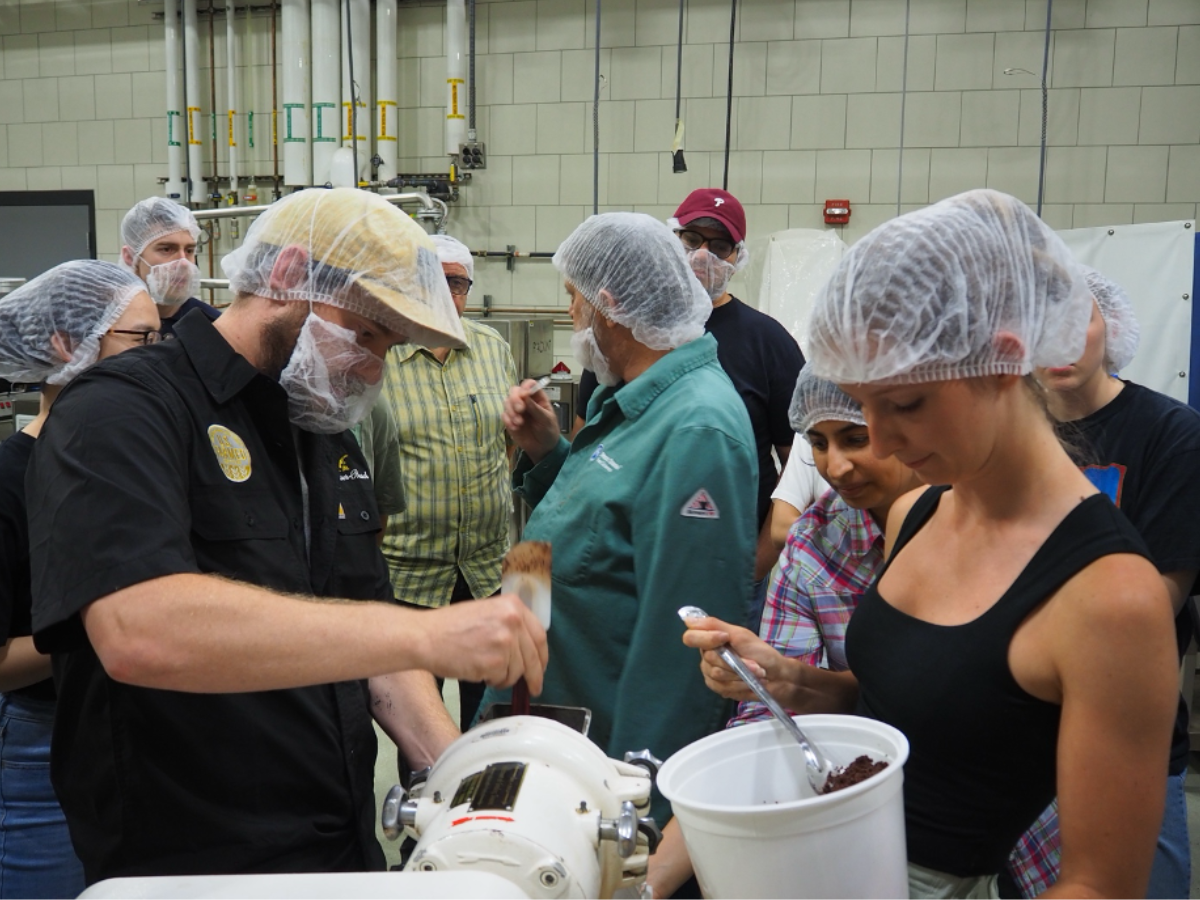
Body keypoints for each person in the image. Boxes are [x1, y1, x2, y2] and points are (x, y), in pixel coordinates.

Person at [27, 188, 547, 884]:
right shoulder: (122, 410)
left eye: (388, 347)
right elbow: (137, 628)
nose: (372, 367)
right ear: (286, 274)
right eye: (364, 333)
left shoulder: (322, 435)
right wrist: (429, 634)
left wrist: (461, 779)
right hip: (190, 861)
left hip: (334, 842)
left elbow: (369, 637)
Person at [683, 189, 1178, 898]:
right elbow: (918, 710)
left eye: (905, 404)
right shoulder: (918, 512)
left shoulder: (1109, 599)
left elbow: (1100, 884)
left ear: (1006, 361)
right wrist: (792, 679)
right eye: (863, 406)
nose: (877, 442)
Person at [489, 212, 757, 825]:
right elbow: (596, 537)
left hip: (602, 771)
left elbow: (680, 651)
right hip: (545, 726)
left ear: (608, 305)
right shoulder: (627, 400)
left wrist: (642, 814)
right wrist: (547, 452)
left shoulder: (695, 428)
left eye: (574, 302)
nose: (572, 321)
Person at [647, 366, 919, 898]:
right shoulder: (816, 545)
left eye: (856, 439)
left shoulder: (977, 534)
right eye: (817, 443)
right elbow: (767, 728)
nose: (835, 466)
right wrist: (770, 676)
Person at [1003, 266, 1200, 899]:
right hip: (1013, 729)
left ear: (1109, 327)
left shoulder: (1171, 435)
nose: (1059, 344)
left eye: (1076, 321)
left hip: (1125, 729)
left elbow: (1158, 595)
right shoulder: (1004, 437)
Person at [0, 260, 158, 899]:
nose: (158, 356)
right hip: (44, 750)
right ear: (66, 343)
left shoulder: (143, 469)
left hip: (148, 736)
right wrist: (95, 626)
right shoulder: (12, 481)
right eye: (139, 340)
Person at [378, 233, 518, 727]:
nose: (446, 293)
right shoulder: (382, 353)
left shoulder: (491, 348)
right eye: (433, 280)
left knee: (491, 715)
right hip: (408, 576)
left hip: (484, 572)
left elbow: (508, 442)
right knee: (417, 717)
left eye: (456, 283)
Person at [120, 196, 218, 334]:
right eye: (167, 249)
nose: (183, 263)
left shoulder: (211, 326)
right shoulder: (109, 325)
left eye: (189, 250)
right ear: (130, 257)